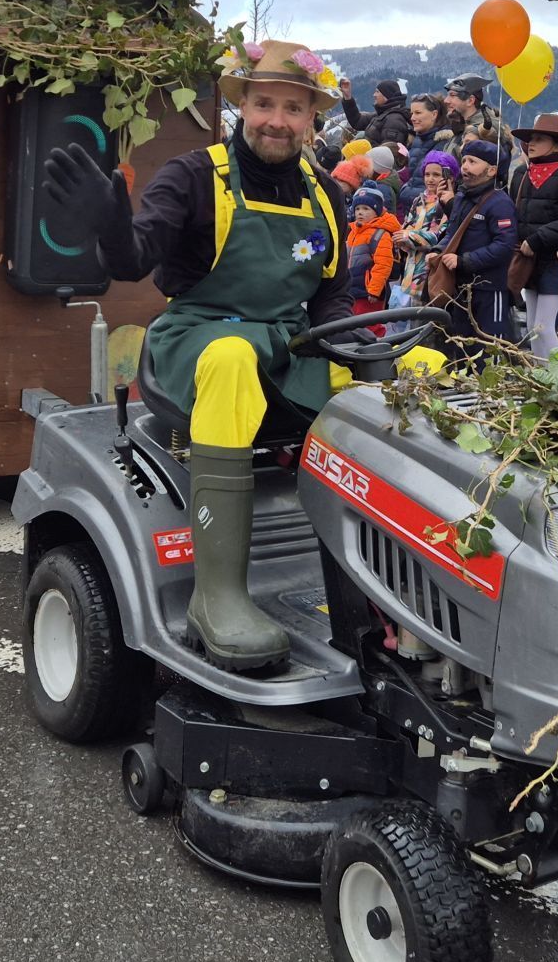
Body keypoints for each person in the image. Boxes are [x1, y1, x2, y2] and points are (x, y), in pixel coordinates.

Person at [42, 39, 353, 672]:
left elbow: (333, 294)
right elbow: (135, 258)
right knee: (234, 358)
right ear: (242, 105)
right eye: (263, 103)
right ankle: (218, 598)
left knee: (405, 374)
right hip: (200, 336)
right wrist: (109, 226)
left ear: (311, 117)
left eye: (293, 108)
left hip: (287, 344)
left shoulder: (326, 194)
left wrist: (352, 345)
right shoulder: (194, 177)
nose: (276, 120)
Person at [428, 140, 518, 355]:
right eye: (464, 160)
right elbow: (452, 232)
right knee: (462, 345)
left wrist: (465, 260)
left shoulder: (500, 203)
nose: (465, 166)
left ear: (492, 170)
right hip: (461, 286)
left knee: (490, 348)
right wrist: (440, 250)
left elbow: (504, 245)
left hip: (490, 287)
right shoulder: (461, 198)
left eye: (473, 162)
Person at [509, 112, 558, 359]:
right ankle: (540, 378)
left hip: (555, 260)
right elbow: (514, 212)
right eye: (531, 138)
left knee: (544, 327)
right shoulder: (522, 174)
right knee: (532, 328)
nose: (531, 143)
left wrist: (536, 239)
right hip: (528, 259)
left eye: (539, 139)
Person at [393, 152, 457, 307]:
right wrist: (403, 236)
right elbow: (407, 226)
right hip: (411, 272)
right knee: (412, 323)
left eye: (436, 174)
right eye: (427, 174)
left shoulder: (449, 203)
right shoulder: (418, 200)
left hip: (431, 273)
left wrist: (409, 236)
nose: (430, 179)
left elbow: (440, 235)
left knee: (427, 319)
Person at [343, 187, 401, 325]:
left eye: (366, 208)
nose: (360, 212)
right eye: (357, 209)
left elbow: (383, 264)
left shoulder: (380, 234)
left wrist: (375, 290)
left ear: (376, 211)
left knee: (370, 326)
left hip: (368, 293)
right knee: (353, 325)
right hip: (352, 290)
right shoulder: (353, 232)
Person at [338, 77, 412, 148]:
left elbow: (388, 153)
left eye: (377, 92)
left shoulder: (394, 120)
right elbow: (357, 121)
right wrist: (347, 97)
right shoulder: (382, 115)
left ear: (386, 95)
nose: (374, 95)